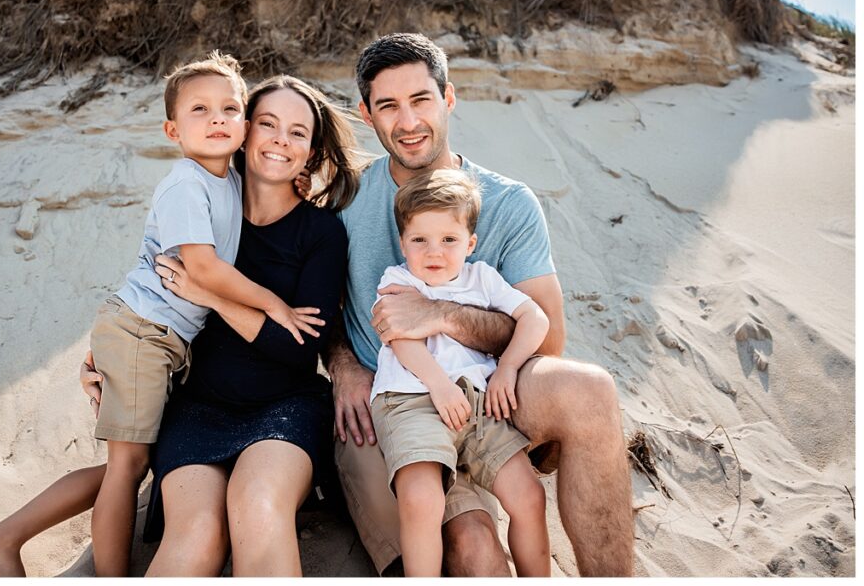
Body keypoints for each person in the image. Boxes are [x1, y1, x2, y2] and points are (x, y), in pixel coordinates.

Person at [0, 74, 363, 577]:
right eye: (267, 123)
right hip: (197, 407)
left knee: (257, 509)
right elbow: (152, 293)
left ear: (311, 151)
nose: (281, 139)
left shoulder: (321, 231)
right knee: (194, 534)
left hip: (284, 407)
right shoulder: (209, 198)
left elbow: (298, 344)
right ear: (244, 131)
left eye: (298, 132)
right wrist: (104, 358)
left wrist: (210, 296)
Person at [326, 32, 634, 576]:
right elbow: (313, 303)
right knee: (474, 548)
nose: (409, 121)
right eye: (389, 106)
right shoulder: (346, 200)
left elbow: (549, 339)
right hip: (400, 402)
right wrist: (345, 363)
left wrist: (442, 315)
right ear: (367, 116)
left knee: (590, 392)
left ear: (448, 97)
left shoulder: (509, 203)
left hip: (496, 393)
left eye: (421, 100)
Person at [80, 52, 319, 576]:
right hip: (148, 336)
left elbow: (275, 173)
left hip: (171, 344)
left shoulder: (228, 179)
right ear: (172, 129)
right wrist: (272, 302)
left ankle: (8, 534)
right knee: (126, 467)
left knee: (133, 464)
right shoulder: (189, 183)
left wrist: (303, 182)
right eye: (200, 110)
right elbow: (202, 270)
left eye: (229, 109)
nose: (217, 120)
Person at [370, 168, 551, 576]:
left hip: (478, 403)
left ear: (470, 243)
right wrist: (438, 384)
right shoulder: (396, 280)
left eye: (449, 240)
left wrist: (507, 368)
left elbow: (535, 318)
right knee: (422, 499)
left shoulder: (482, 279)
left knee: (529, 495)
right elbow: (398, 336)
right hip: (411, 398)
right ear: (403, 243)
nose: (434, 252)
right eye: (420, 240)